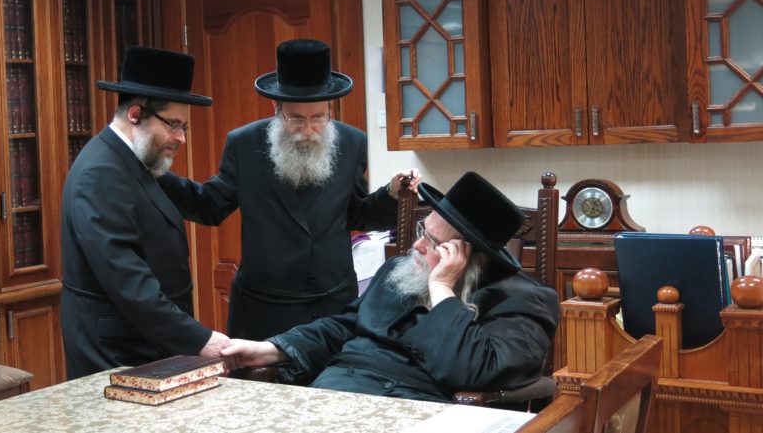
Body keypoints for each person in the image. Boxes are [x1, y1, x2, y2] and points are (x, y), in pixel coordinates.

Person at [158, 39, 421, 341]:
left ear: (330, 109)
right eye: (296, 118)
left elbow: (357, 214)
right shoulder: (244, 143)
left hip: (333, 307)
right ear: (276, 108)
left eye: (318, 118)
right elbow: (210, 206)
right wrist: (156, 173)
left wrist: (391, 193)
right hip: (265, 310)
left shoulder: (352, 142)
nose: (307, 130)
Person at [221, 171, 560, 403]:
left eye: (432, 242)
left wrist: (443, 288)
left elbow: (476, 372)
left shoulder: (525, 301)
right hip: (332, 391)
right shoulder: (400, 270)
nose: (416, 246)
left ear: (467, 257)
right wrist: (272, 349)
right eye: (422, 232)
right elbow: (345, 326)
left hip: (410, 405)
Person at [60, 46, 231, 379]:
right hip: (116, 355)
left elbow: (202, 202)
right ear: (136, 115)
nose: (181, 138)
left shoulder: (134, 160)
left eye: (184, 127)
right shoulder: (102, 173)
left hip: (144, 345)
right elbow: (127, 282)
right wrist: (199, 340)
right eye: (173, 125)